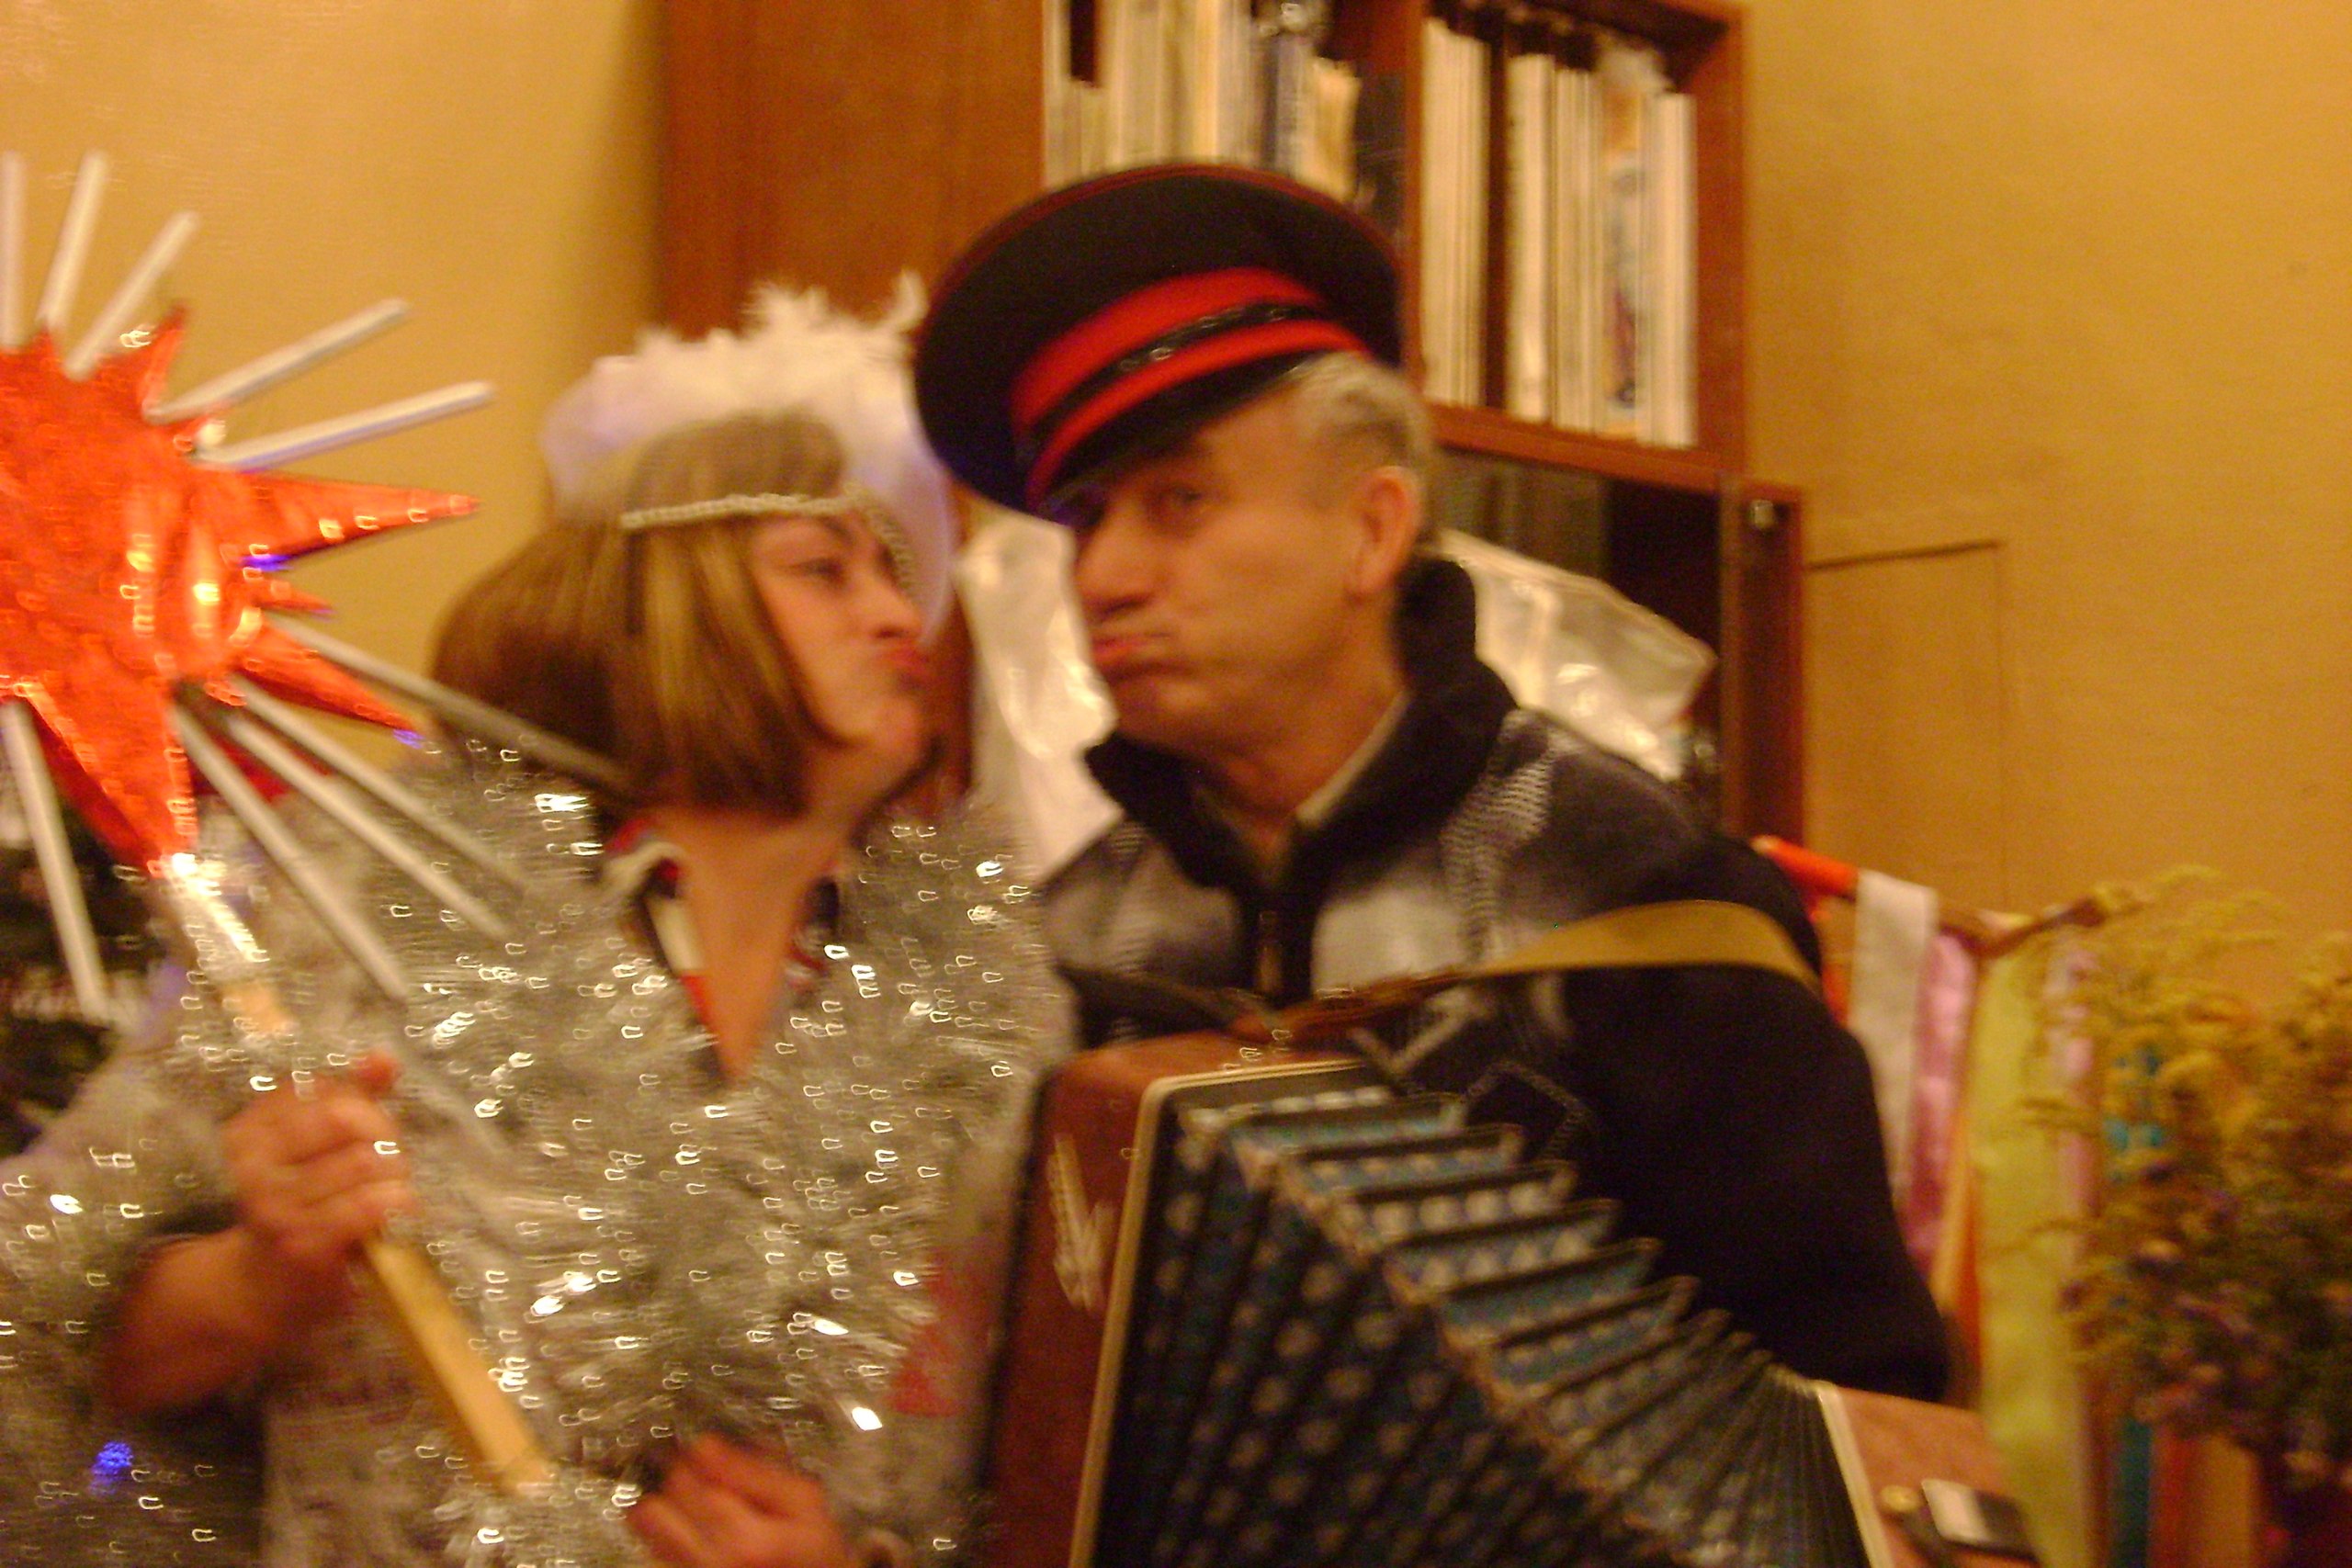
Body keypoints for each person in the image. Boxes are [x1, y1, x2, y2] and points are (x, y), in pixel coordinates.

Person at [0, 298, 1064, 1565]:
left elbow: (1035, 1454)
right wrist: (259, 1279)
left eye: (894, 573)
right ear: (664, 606)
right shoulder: (369, 910)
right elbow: (41, 1329)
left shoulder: (986, 1004)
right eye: (823, 570)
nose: (899, 616)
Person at [913, 164, 1947, 1401]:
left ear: (1373, 529)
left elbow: (1854, 1408)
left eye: (1178, 501)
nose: (1104, 579)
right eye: (1087, 519)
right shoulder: (1059, 948)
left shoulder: (1646, 906)